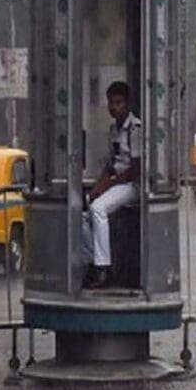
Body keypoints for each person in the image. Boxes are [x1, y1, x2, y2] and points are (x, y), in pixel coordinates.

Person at [81, 81, 142, 289]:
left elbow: (136, 168)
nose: (114, 107)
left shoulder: (135, 129)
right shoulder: (113, 130)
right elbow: (110, 164)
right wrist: (98, 187)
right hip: (116, 182)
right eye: (111, 102)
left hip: (132, 185)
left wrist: (109, 185)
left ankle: (103, 268)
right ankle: (92, 260)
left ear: (127, 104)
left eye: (118, 102)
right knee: (84, 212)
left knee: (98, 208)